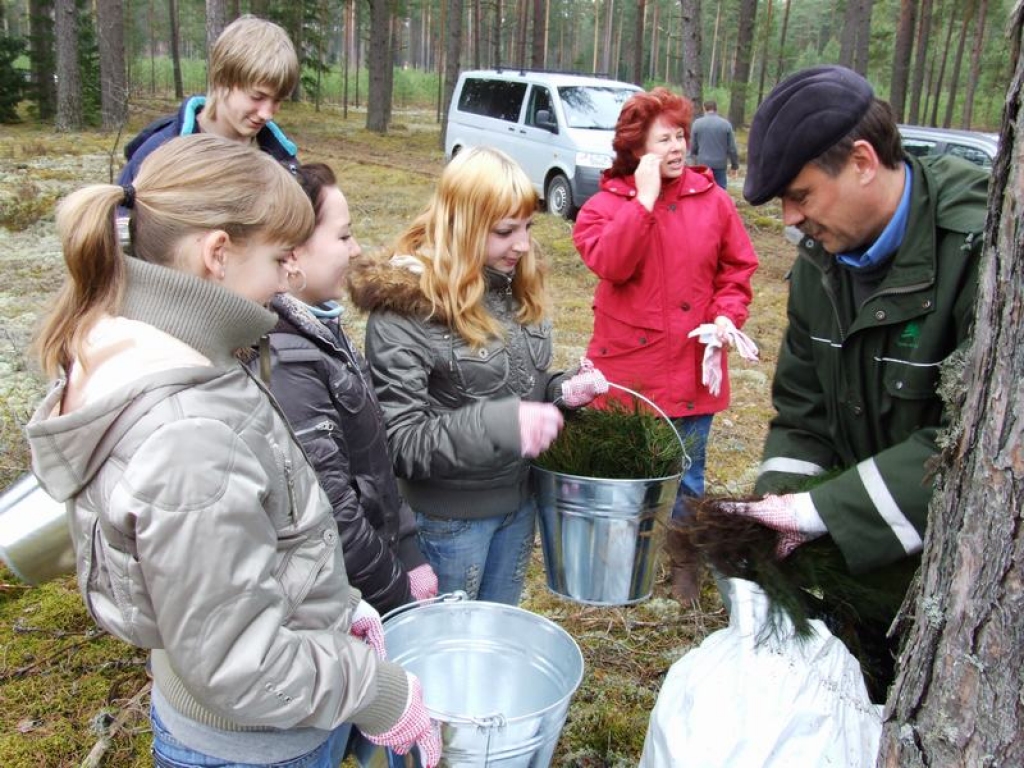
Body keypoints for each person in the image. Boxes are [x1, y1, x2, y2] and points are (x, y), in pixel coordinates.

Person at [26, 135, 441, 768]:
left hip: (272, 713)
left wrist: (335, 609)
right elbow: (237, 658)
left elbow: (257, 539)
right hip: (254, 744)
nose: (286, 280)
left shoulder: (177, 349)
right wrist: (377, 691)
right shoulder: (190, 432)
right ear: (218, 253)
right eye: (279, 258)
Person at [733, 65, 989, 694]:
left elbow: (977, 448)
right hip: (856, 578)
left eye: (802, 194)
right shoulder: (821, 266)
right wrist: (779, 514)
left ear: (864, 161)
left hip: (959, 597)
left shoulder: (979, 252)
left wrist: (820, 511)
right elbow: (803, 413)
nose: (791, 219)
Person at [347, 146, 607, 606]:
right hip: (449, 523)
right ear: (463, 228)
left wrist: (562, 391)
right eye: (506, 231)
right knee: (450, 654)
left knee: (493, 636)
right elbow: (401, 443)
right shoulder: (407, 311)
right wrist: (504, 425)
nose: (523, 244)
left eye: (528, 226)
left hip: (517, 507)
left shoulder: (513, 285)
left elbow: (519, 389)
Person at [572, 87, 759, 603]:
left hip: (694, 364)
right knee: (630, 471)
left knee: (688, 474)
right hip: (629, 367)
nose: (678, 146)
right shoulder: (602, 208)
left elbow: (737, 268)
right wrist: (645, 201)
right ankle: (620, 566)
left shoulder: (714, 200)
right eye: (664, 138)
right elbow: (612, 263)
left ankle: (682, 565)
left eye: (681, 135)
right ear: (636, 149)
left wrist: (726, 313)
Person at [254, 162, 437, 616]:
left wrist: (408, 547)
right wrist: (397, 597)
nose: (356, 250)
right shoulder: (286, 359)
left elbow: (372, 456)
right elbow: (334, 514)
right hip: (349, 600)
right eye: (342, 236)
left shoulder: (319, 329)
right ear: (292, 254)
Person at [119, 15, 300, 185]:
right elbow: (116, 215)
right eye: (257, 97)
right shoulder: (158, 154)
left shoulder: (282, 160)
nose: (267, 114)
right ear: (222, 81)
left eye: (277, 100)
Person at [688, 100, 739, 190]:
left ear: (704, 108)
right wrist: (734, 166)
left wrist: (693, 160)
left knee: (703, 190)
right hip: (720, 165)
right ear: (716, 109)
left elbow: (693, 147)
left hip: (703, 164)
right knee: (720, 191)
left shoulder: (697, 124)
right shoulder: (726, 124)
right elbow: (732, 148)